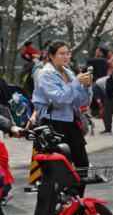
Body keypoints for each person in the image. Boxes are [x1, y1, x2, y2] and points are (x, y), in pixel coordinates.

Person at [31, 41, 93, 170]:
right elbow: (59, 99)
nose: (66, 57)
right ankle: (64, 190)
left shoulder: (69, 73)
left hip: (71, 121)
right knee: (60, 166)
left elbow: (81, 102)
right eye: (61, 54)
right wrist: (77, 82)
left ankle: (76, 191)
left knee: (82, 163)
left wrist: (86, 87)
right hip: (53, 123)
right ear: (51, 56)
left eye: (68, 53)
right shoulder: (45, 74)